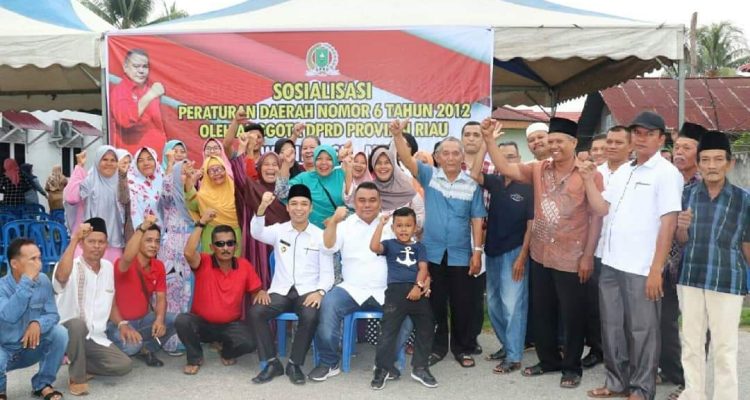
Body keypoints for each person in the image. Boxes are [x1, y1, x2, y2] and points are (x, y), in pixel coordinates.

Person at [481, 117, 602, 389]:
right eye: (551, 141)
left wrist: (587, 256)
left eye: (560, 141)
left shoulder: (588, 173)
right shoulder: (538, 169)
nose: (554, 145)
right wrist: (488, 139)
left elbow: (597, 216)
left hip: (572, 256)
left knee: (571, 315)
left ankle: (571, 368)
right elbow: (505, 168)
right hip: (541, 253)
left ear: (573, 143)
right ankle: (548, 361)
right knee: (542, 311)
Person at [581, 111, 683, 400]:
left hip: (642, 267)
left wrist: (656, 270)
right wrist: (588, 180)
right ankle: (616, 383)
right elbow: (602, 209)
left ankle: (641, 388)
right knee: (612, 326)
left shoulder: (666, 173)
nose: (641, 138)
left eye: (649, 134)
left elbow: (668, 223)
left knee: (642, 330)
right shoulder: (624, 170)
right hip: (612, 262)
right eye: (637, 133)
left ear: (661, 139)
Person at [390, 120, 487, 369]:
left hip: (461, 253)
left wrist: (477, 252)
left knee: (462, 303)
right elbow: (406, 158)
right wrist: (398, 135)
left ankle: (462, 349)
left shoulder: (472, 184)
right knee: (435, 303)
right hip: (432, 253)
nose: (451, 157)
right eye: (446, 153)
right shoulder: (429, 175)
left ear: (462, 157)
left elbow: (477, 219)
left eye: (456, 153)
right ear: (438, 157)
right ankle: (438, 347)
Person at [675, 130, 749, 400]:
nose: (711, 166)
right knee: (691, 343)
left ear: (729, 163)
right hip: (690, 278)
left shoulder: (744, 200)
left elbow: (747, 243)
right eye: (705, 160)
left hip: (727, 280)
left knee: (724, 348)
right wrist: (681, 228)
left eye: (718, 159)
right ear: (698, 164)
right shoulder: (687, 195)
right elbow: (681, 241)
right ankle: (694, 394)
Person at [309, 182, 409, 382]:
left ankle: (385, 363)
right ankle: (329, 362)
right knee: (328, 305)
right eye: (362, 200)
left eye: (372, 200)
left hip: (385, 289)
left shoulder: (391, 225)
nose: (367, 205)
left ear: (380, 202)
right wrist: (333, 222)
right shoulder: (345, 225)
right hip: (351, 289)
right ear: (354, 202)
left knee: (407, 314)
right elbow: (327, 247)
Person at [248, 185, 334, 385]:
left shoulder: (320, 236)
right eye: (294, 204)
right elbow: (256, 232)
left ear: (311, 208)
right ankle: (272, 363)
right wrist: (262, 207)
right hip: (281, 290)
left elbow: (328, 273)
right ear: (287, 207)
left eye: (304, 204)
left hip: (308, 291)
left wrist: (320, 292)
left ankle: (294, 364)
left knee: (310, 314)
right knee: (256, 312)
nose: (298, 208)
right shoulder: (279, 230)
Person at [470, 141, 533, 374]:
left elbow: (531, 224)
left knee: (512, 305)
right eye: (502, 157)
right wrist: (485, 145)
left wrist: (522, 256)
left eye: (512, 156)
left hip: (514, 252)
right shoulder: (495, 182)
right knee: (495, 305)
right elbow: (474, 174)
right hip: (492, 251)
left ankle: (514, 356)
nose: (507, 161)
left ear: (519, 159)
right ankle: (507, 346)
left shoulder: (528, 186)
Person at [53, 218, 133, 396]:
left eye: (101, 242)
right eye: (91, 241)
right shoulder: (70, 265)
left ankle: (78, 361)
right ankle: (77, 378)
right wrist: (74, 239)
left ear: (106, 245)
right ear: (82, 244)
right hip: (67, 333)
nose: (96, 246)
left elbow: (111, 302)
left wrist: (122, 324)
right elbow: (61, 277)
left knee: (124, 365)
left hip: (94, 336)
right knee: (77, 324)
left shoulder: (108, 267)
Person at [176, 210, 261, 375]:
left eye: (230, 243)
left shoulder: (244, 265)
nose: (225, 248)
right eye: (220, 244)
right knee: (182, 321)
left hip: (230, 325)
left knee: (250, 342)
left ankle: (226, 352)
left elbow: (256, 291)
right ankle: (195, 358)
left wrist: (261, 293)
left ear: (235, 246)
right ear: (212, 247)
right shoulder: (204, 261)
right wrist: (201, 223)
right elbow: (188, 252)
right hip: (203, 325)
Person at [659, 121, 707, 393]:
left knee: (695, 329)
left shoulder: (706, 185)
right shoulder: (669, 181)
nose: (679, 152)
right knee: (663, 322)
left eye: (686, 148)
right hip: (666, 266)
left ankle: (692, 384)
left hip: (695, 267)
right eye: (677, 147)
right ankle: (673, 372)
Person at [369, 207, 437, 389]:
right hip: (395, 292)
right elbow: (374, 247)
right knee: (388, 331)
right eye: (399, 225)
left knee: (427, 325)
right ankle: (382, 369)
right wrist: (380, 225)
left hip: (416, 290)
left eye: (408, 225)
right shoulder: (390, 245)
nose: (404, 229)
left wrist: (418, 286)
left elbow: (423, 268)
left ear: (415, 228)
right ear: (393, 228)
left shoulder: (419, 247)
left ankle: (420, 367)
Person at [583, 126, 633, 370]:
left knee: (626, 309)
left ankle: (627, 355)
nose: (608, 149)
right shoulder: (594, 173)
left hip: (626, 253)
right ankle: (598, 350)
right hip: (597, 249)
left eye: (615, 143)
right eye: (604, 145)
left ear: (630, 147)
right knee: (595, 305)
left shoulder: (634, 173)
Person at [1, 239, 68, 400]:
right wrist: (27, 282)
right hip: (4, 350)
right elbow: (9, 315)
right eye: (33, 259)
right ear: (14, 264)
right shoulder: (2, 287)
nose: (39, 263)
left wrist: (37, 323)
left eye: (39, 258)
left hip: (30, 347)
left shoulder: (43, 280)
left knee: (60, 333)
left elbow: (53, 314)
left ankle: (42, 384)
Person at [107, 214, 176, 368]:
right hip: (120, 323)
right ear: (138, 242)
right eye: (148, 240)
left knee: (176, 320)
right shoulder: (124, 264)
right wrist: (142, 227)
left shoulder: (158, 266)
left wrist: (159, 319)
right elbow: (127, 256)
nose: (153, 245)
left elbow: (161, 297)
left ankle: (145, 348)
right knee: (132, 346)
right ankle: (127, 346)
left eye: (157, 241)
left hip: (143, 321)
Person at [156, 155, 195, 353]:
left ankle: (187, 337)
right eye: (183, 172)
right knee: (172, 291)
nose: (185, 175)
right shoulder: (169, 197)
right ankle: (170, 339)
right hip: (171, 251)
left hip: (189, 247)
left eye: (189, 171)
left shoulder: (193, 195)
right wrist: (172, 167)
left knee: (188, 292)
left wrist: (191, 181)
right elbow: (165, 190)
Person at [63, 147, 127, 262]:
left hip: (114, 243)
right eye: (105, 159)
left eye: (113, 160)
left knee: (111, 272)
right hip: (88, 242)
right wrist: (79, 167)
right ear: (97, 161)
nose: (109, 163)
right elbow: (71, 198)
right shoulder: (90, 181)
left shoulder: (121, 184)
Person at [275, 144, 352, 229]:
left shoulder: (342, 175)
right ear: (314, 160)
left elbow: (355, 206)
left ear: (334, 160)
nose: (323, 163)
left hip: (339, 232)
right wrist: (286, 163)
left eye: (329, 159)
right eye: (319, 159)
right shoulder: (304, 178)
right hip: (311, 233)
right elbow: (282, 193)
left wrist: (335, 220)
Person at [109, 48, 166, 154]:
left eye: (145, 66)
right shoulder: (121, 91)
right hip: (134, 158)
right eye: (136, 66)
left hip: (157, 157)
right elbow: (125, 120)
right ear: (125, 67)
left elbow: (159, 125)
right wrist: (149, 96)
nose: (141, 71)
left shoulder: (150, 90)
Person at [184, 155, 241, 256]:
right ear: (206, 175)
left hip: (234, 235)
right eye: (212, 171)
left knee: (234, 264)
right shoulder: (203, 194)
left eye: (219, 169)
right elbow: (192, 204)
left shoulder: (236, 191)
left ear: (225, 170)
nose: (217, 173)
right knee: (211, 264)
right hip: (210, 236)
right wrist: (189, 179)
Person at [368, 145, 424, 226]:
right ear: (373, 166)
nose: (383, 167)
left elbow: (420, 219)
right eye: (378, 163)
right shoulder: (368, 190)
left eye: (387, 162)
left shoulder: (409, 189)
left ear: (393, 165)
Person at [126, 147, 163, 237]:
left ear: (155, 161)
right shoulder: (130, 183)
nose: (146, 163)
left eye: (149, 159)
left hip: (164, 235)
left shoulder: (162, 179)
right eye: (141, 160)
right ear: (136, 164)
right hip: (140, 234)